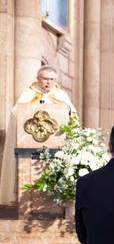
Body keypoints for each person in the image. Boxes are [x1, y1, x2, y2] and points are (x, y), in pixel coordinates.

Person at [0, 65, 76, 205]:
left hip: (56, 146)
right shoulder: (28, 95)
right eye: (45, 79)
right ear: (37, 79)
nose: (48, 82)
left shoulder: (61, 96)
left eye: (52, 79)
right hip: (29, 145)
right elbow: (16, 114)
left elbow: (73, 116)